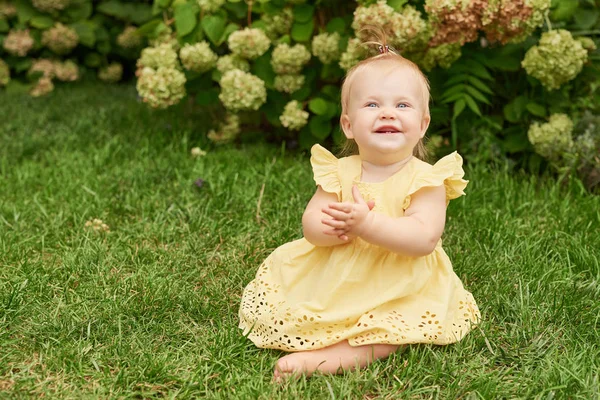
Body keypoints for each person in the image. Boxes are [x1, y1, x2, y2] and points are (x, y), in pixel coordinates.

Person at [238, 38, 480, 382]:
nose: (387, 113)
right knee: (307, 308)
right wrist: (336, 229)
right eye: (371, 104)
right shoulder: (339, 171)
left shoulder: (427, 179)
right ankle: (321, 336)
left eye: (402, 105)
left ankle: (323, 360)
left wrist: (368, 224)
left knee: (392, 332)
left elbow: (424, 237)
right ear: (348, 125)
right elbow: (312, 225)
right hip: (339, 275)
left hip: (401, 281)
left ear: (423, 124)